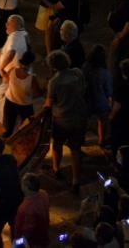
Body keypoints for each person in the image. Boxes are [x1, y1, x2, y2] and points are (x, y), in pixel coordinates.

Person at [45, 50, 88, 194]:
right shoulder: (77, 73)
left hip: (61, 119)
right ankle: (76, 179)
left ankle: (56, 168)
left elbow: (49, 103)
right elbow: (83, 89)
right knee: (76, 150)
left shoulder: (54, 82)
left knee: (57, 145)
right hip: (78, 116)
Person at [2, 51, 40, 138]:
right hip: (25, 106)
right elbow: (38, 94)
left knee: (7, 129)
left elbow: (7, 80)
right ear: (31, 64)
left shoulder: (12, 71)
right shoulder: (31, 78)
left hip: (10, 101)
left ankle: (2, 145)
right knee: (27, 128)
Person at [13, 172, 50, 248]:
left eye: (22, 184)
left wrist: (19, 242)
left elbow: (27, 231)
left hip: (33, 243)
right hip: (44, 235)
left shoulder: (25, 207)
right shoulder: (44, 194)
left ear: (26, 188)